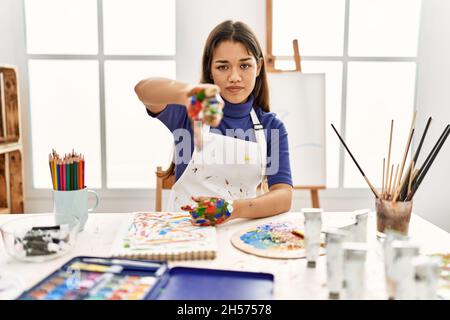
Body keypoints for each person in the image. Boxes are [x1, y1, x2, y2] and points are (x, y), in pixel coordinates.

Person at [135, 20, 292, 226]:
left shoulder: (271, 127)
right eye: (223, 66)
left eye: (244, 65)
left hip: (238, 233)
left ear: (258, 66)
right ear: (210, 69)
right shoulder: (189, 113)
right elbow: (143, 90)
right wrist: (187, 93)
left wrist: (232, 209)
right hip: (183, 232)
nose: (234, 77)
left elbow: (283, 196)